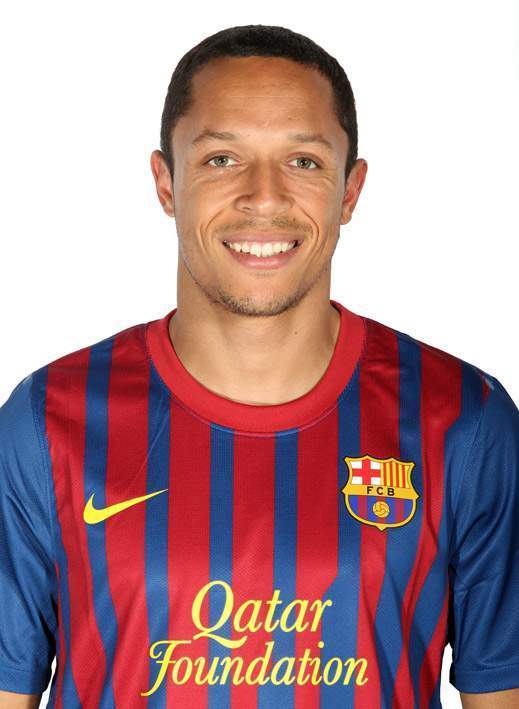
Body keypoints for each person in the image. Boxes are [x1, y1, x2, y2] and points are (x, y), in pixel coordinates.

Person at [0, 24, 518, 709]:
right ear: (165, 182)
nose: (264, 197)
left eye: (303, 161)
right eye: (221, 159)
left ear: (350, 190)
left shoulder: (463, 419)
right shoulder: (45, 422)